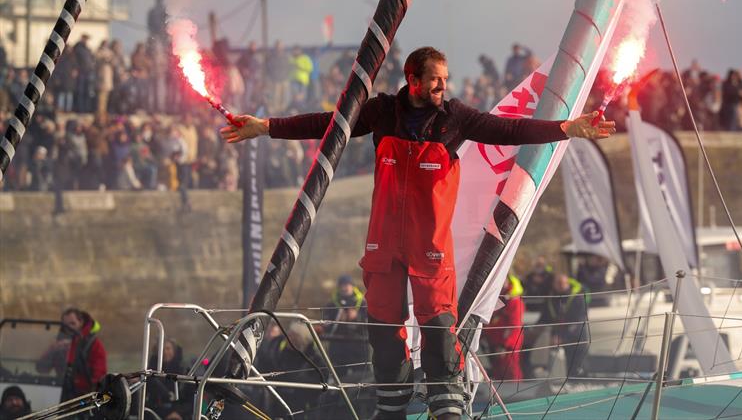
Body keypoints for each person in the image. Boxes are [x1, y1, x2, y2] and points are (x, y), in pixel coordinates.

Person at [221, 46, 616, 419]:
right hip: (384, 241)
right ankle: (391, 403)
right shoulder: (381, 112)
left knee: (438, 321)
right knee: (382, 322)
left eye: (446, 79)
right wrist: (264, 127)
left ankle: (446, 401)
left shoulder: (455, 118)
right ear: (412, 79)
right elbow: (329, 124)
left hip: (430, 245)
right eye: (436, 80)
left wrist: (567, 128)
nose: (443, 87)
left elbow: (507, 130)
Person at [58, 308, 107, 402]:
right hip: (60, 392)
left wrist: (89, 399)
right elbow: (41, 368)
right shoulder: (59, 343)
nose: (69, 328)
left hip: (82, 398)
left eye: (72, 323)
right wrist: (55, 349)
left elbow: (99, 377)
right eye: (66, 325)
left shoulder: (94, 345)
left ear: (81, 322)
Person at [483, 274, 524, 382]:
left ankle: (515, 393)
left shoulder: (514, 301)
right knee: (498, 372)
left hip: (507, 345)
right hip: (494, 341)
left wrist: (505, 345)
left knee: (510, 370)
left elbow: (514, 326)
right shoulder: (497, 297)